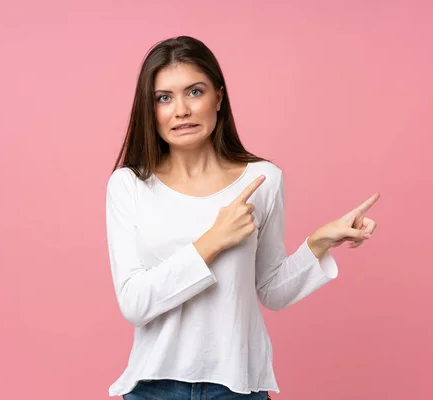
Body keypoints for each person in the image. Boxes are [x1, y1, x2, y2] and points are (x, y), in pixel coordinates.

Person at [105, 36, 379, 399]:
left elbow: (271, 290)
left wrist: (318, 244)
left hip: (236, 387)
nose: (181, 110)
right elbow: (135, 304)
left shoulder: (261, 179)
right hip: (154, 387)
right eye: (164, 98)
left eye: (195, 92)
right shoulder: (129, 185)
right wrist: (212, 242)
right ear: (149, 108)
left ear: (218, 97)